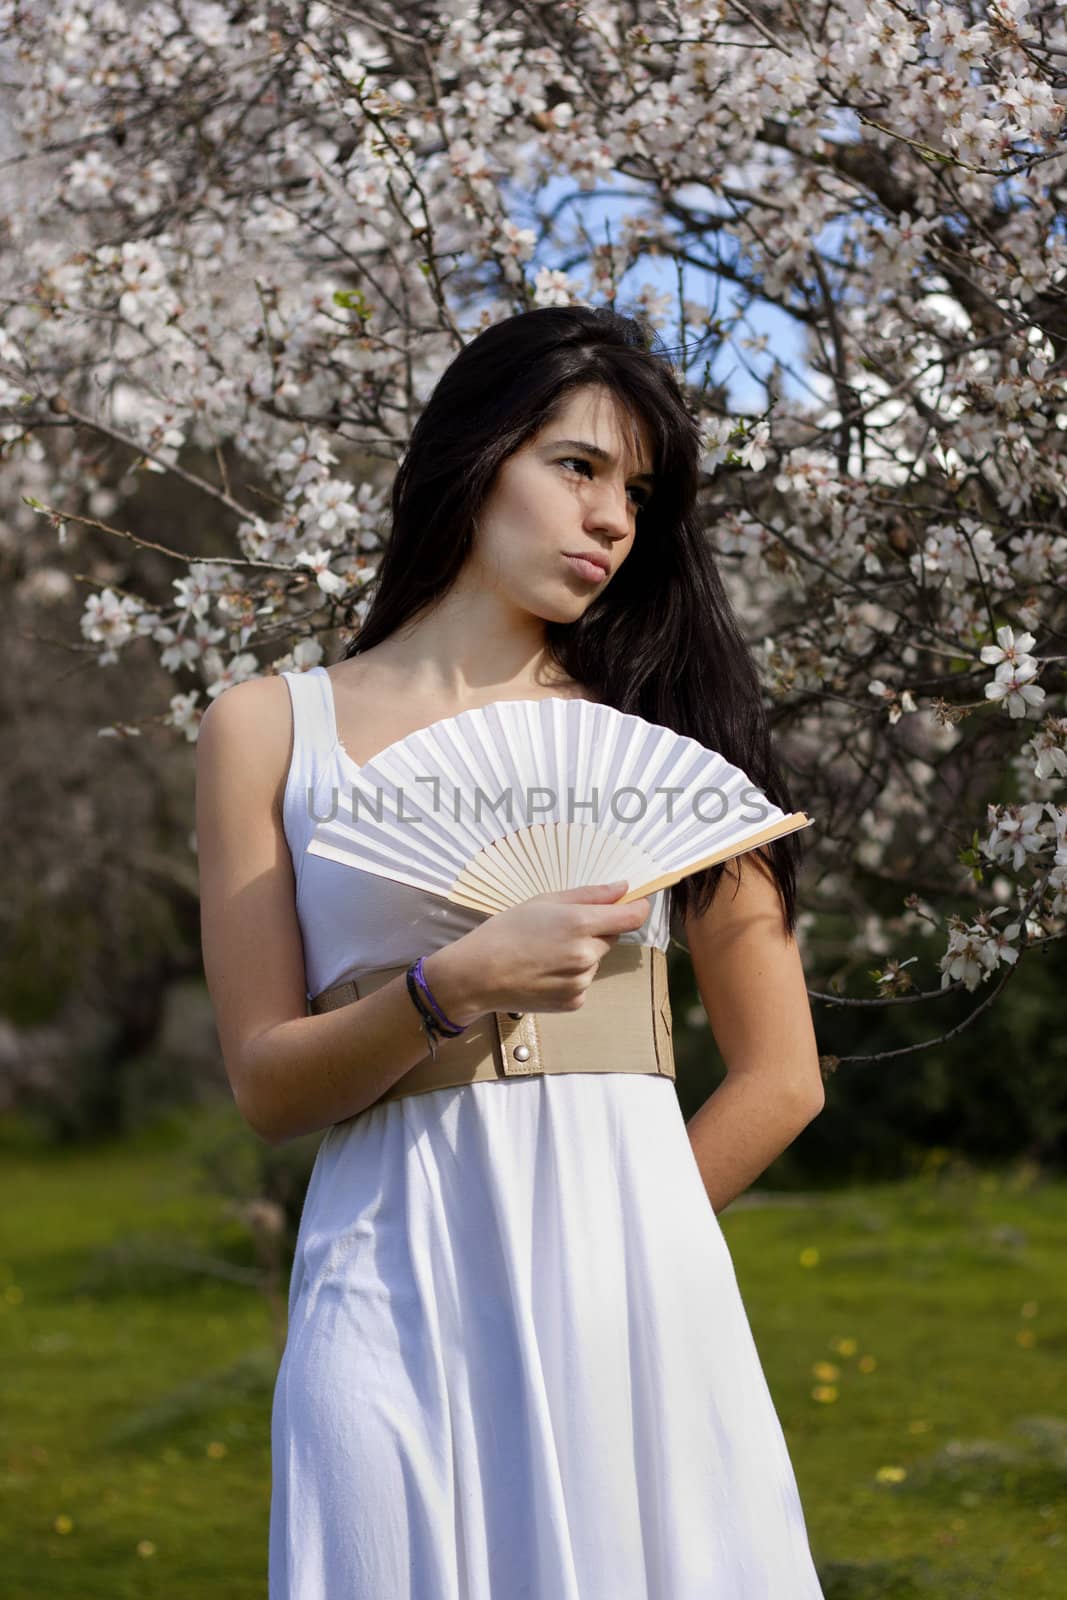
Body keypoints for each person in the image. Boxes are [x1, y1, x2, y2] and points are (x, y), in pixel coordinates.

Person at [196, 305, 828, 1598]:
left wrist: (630, 1242)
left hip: (629, 1299)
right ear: (477, 456)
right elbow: (267, 1085)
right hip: (383, 1283)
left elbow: (783, 1077)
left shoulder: (666, 742)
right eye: (578, 467)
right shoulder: (267, 730)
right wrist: (453, 987)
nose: (611, 520)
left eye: (636, 493)